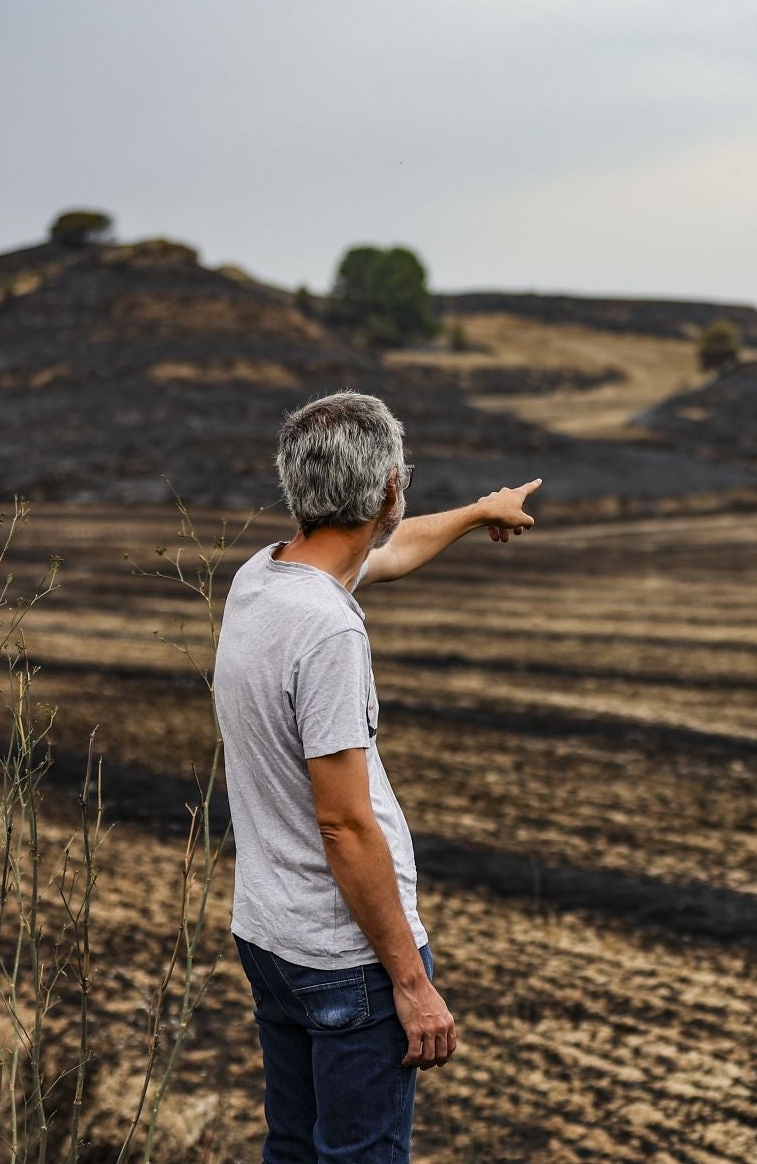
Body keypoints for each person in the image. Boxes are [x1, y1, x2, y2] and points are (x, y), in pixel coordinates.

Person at [212, 388, 542, 1163]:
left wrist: (473, 513)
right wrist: (411, 982)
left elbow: (382, 554)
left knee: (291, 1148)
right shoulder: (328, 631)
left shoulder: (263, 578)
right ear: (391, 487)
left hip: (270, 937)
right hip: (345, 960)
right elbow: (345, 823)